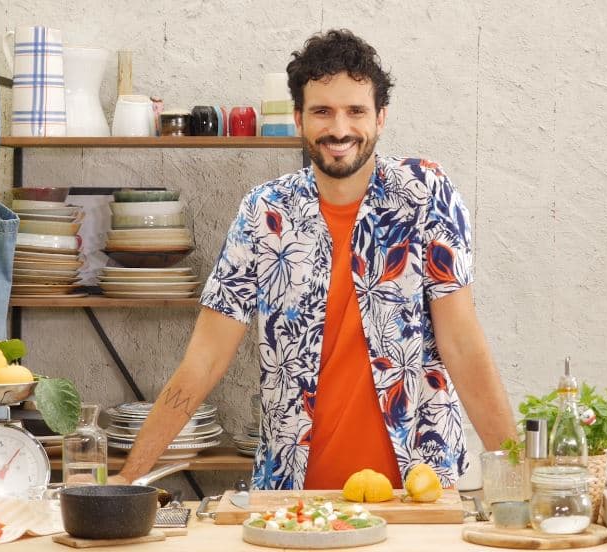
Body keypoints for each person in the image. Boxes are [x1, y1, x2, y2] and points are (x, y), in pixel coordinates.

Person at [113, 29, 517, 490]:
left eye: (356, 111)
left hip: (416, 492)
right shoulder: (264, 211)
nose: (340, 129)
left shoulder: (424, 193)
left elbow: (463, 345)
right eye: (323, 111)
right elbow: (204, 360)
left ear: (381, 118)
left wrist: (518, 477)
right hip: (294, 499)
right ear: (300, 118)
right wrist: (130, 475)